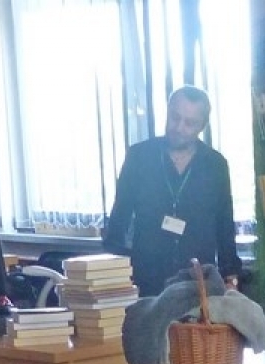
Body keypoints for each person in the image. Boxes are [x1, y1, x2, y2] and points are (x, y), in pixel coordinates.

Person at [102, 87, 240, 295]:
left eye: (189, 122)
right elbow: (120, 216)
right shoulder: (139, 156)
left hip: (197, 279)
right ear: (167, 112)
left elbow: (224, 224)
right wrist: (113, 269)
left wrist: (231, 277)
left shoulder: (215, 165)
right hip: (146, 276)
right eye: (175, 117)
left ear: (202, 126)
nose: (179, 127)